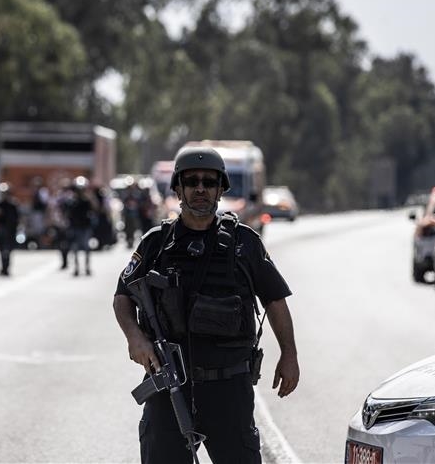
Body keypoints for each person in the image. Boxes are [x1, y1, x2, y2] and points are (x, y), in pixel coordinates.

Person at [112, 147, 300, 464]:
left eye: (209, 182)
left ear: (220, 189)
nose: (201, 189)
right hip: (169, 387)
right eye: (192, 182)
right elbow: (122, 297)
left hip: (228, 388)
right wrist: (135, 338)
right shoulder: (156, 243)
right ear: (178, 189)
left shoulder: (245, 243)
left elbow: (275, 299)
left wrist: (289, 355)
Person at [65, 176, 96, 277]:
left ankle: (87, 267)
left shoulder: (87, 201)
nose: (80, 192)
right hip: (75, 227)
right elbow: (67, 213)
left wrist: (90, 197)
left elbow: (96, 208)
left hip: (85, 227)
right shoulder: (71, 201)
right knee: (75, 248)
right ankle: (77, 268)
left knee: (86, 248)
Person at [0, 182, 20, 276]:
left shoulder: (13, 204)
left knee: (8, 250)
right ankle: (3, 267)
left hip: (10, 230)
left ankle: (6, 267)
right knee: (1, 250)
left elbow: (17, 218)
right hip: (1, 229)